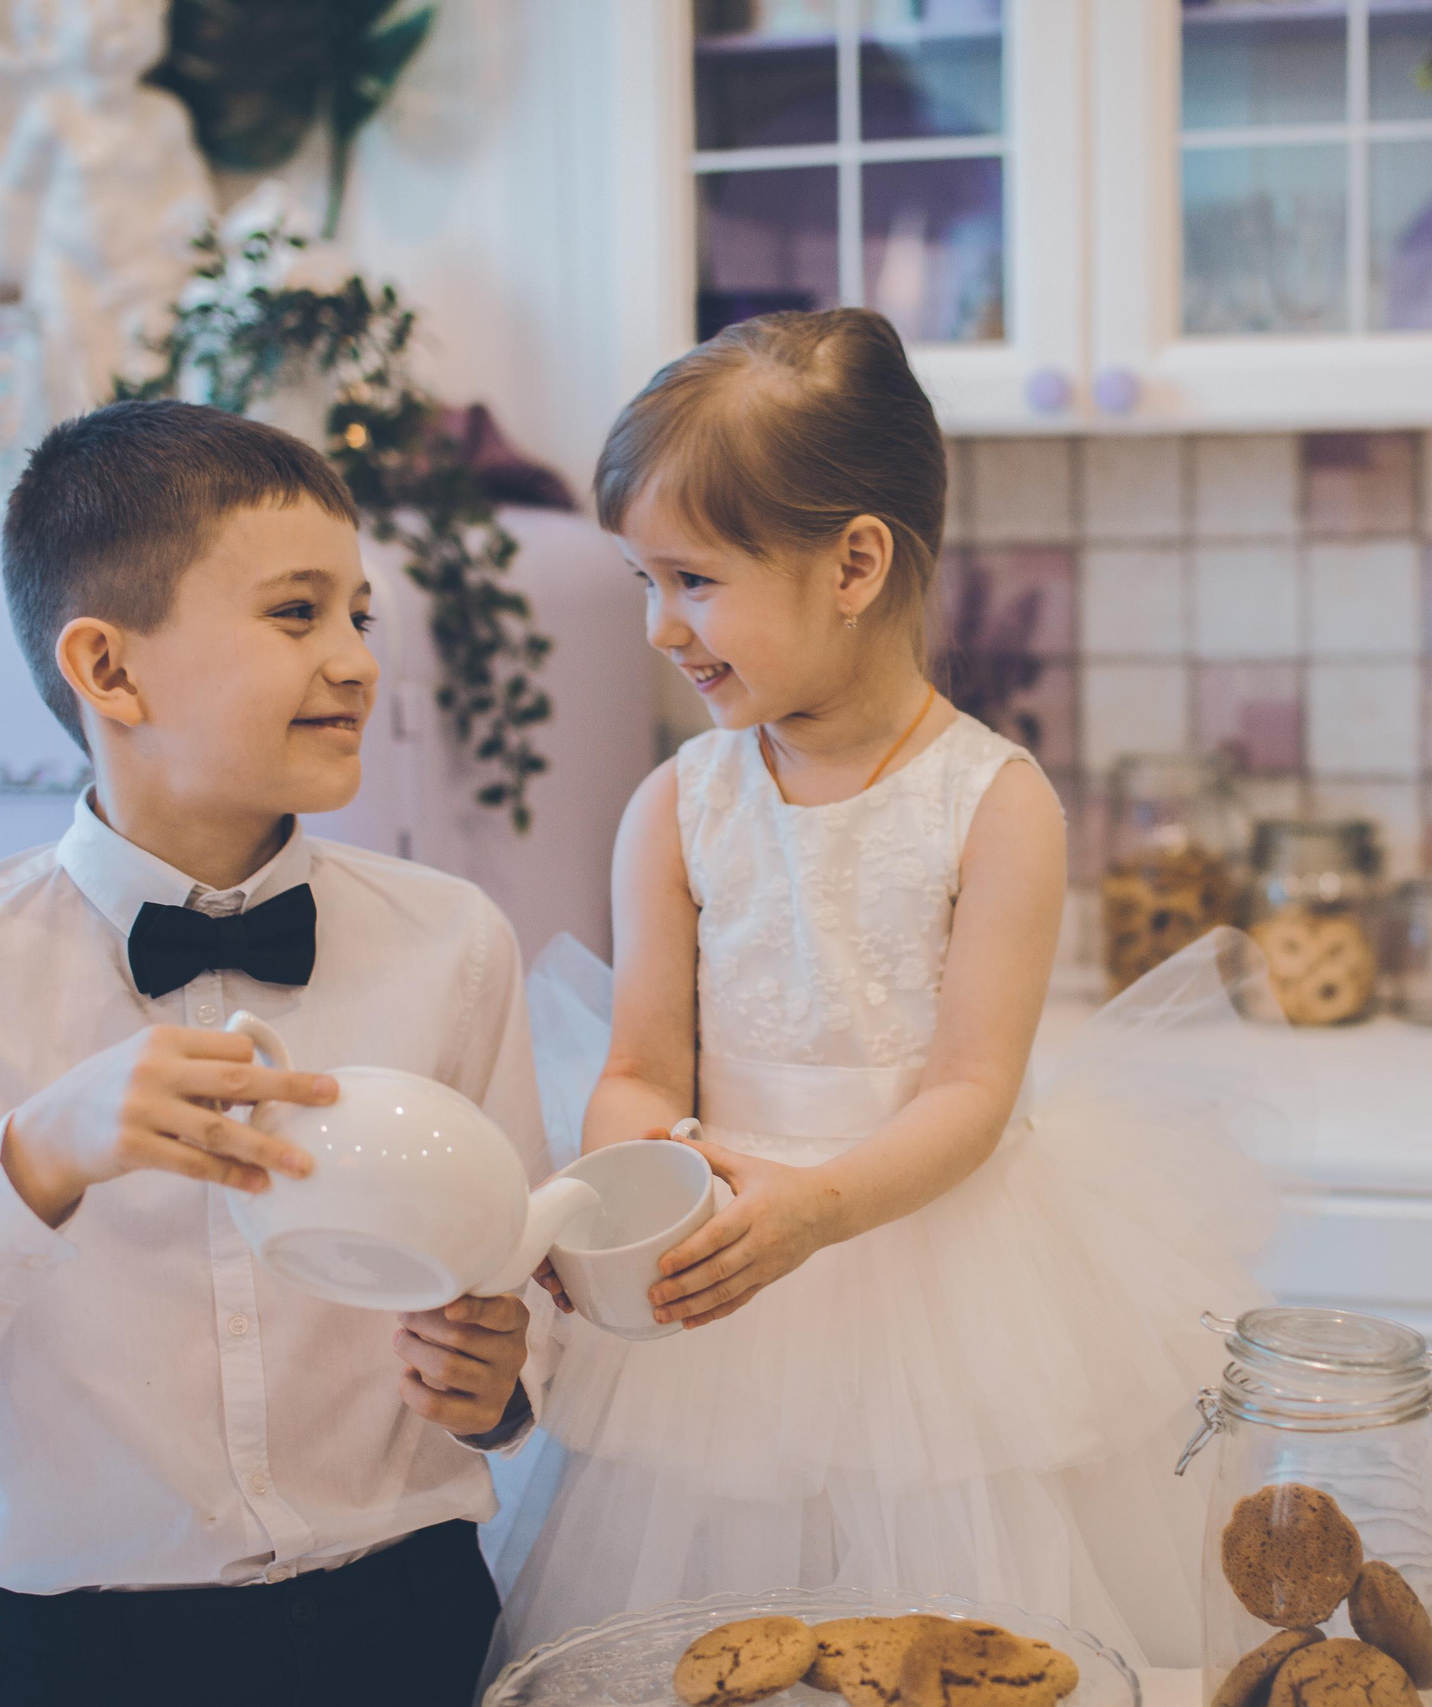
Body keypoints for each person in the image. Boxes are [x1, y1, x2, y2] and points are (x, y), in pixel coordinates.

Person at [499, 310, 1296, 1667]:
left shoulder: (995, 805)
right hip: (718, 1294)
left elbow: (974, 1093)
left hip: (937, 1272)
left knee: (946, 1647)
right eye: (643, 580)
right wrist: (639, 1185)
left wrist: (815, 1208)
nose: (657, 627)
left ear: (855, 561)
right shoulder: (672, 808)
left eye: (692, 579)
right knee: (713, 1650)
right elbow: (638, 1067)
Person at [0, 401, 550, 1707]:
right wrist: (36, 1157)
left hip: (422, 1621)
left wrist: (501, 1385)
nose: (356, 660)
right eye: (297, 614)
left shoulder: (454, 944)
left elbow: (531, 1319)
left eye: (359, 614)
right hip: (97, 1661)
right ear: (109, 671)